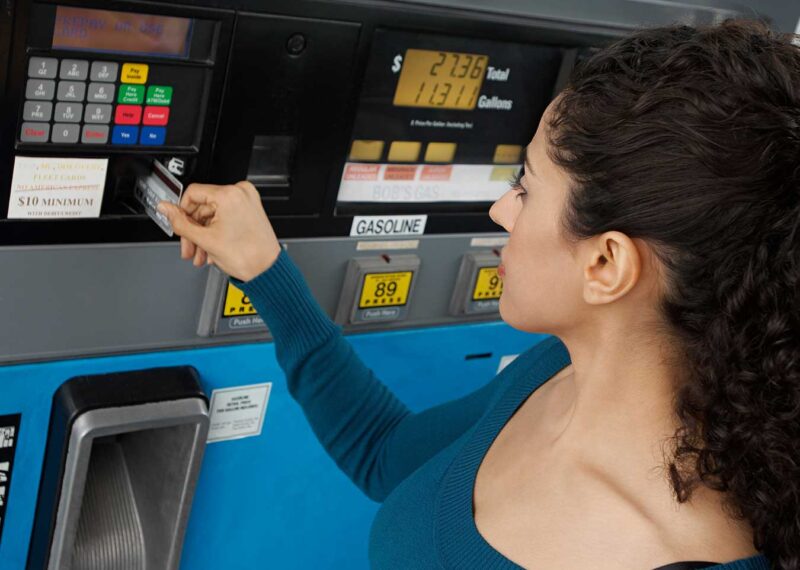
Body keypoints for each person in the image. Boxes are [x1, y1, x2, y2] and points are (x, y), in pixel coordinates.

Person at [158, 19, 800, 570]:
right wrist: (266, 269)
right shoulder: (559, 375)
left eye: (526, 187)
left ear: (606, 264)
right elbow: (386, 455)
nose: (499, 210)